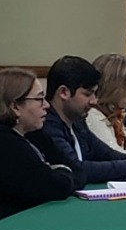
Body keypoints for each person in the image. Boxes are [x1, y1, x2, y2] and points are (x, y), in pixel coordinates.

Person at [41, 56, 126, 183]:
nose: (94, 101)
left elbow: (105, 153)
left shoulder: (77, 122)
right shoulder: (47, 125)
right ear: (64, 93)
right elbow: (77, 169)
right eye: (87, 94)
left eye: (94, 93)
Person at [0, 68, 85, 218]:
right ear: (15, 106)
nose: (46, 105)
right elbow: (54, 188)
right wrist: (60, 171)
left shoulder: (35, 134)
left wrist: (56, 171)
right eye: (39, 99)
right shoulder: (6, 144)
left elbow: (78, 171)